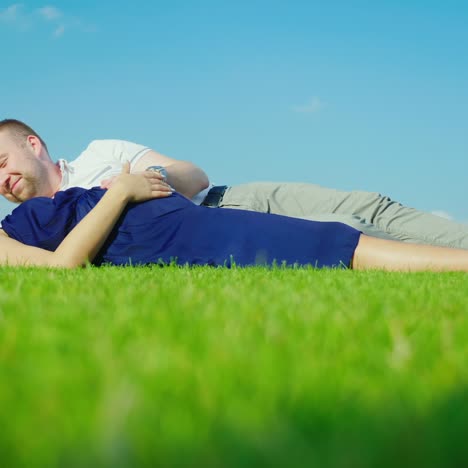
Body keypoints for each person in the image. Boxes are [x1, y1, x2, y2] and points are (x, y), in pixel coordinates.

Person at [1, 118, 468, 249]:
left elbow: (195, 175)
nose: (3, 180)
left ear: (33, 144)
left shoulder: (101, 153)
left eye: (3, 161)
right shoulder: (33, 230)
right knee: (352, 230)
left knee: (371, 206)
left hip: (227, 198)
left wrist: (149, 182)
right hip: (211, 234)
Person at [2, 163, 468, 273]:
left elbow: (189, 172)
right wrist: (121, 192)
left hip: (186, 214)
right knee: (333, 243)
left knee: (350, 221)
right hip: (170, 236)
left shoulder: (87, 159)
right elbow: (62, 266)